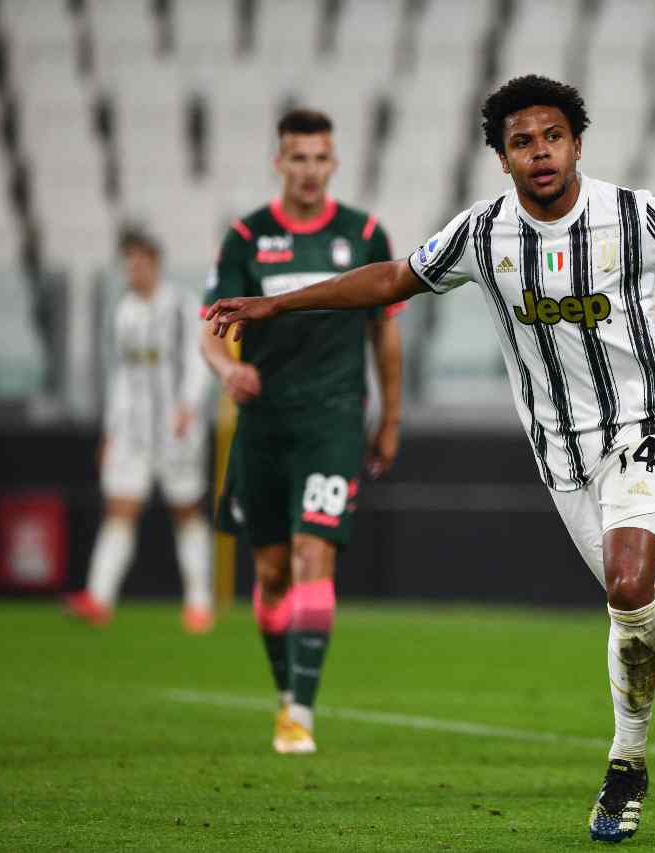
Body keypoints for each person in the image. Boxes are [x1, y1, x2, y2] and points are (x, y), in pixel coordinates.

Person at [205, 75, 655, 844]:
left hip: (649, 425)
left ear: (577, 143)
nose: (540, 152)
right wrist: (274, 303)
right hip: (564, 459)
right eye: (522, 142)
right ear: (503, 159)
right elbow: (392, 279)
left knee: (628, 585)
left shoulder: (635, 216)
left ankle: (626, 763)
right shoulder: (483, 235)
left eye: (552, 136)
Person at [199, 108, 404, 755]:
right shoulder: (247, 238)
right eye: (299, 157)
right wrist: (227, 369)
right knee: (271, 568)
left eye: (321, 157)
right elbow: (212, 326)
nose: (310, 170)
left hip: (333, 420)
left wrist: (390, 418)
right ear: (279, 162)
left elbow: (385, 331)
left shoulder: (365, 234)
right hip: (263, 424)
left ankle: (301, 713)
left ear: (334, 163)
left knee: (314, 553)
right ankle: (285, 690)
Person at [65, 228, 213, 632]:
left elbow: (199, 360)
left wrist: (188, 406)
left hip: (176, 429)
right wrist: (111, 431)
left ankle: (199, 601)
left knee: (186, 511)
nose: (135, 270)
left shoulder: (180, 306)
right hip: (132, 433)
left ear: (156, 265)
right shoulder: (124, 311)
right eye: (129, 263)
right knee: (120, 509)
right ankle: (99, 598)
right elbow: (122, 378)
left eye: (141, 263)